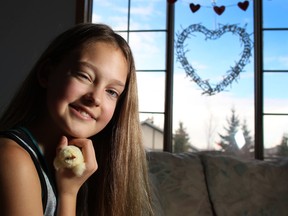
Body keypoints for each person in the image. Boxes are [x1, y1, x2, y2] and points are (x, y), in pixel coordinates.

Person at [0, 23, 154, 216]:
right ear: (46, 73)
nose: (95, 98)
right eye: (84, 76)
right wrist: (68, 194)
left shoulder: (72, 166)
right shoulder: (13, 159)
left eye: (112, 92)